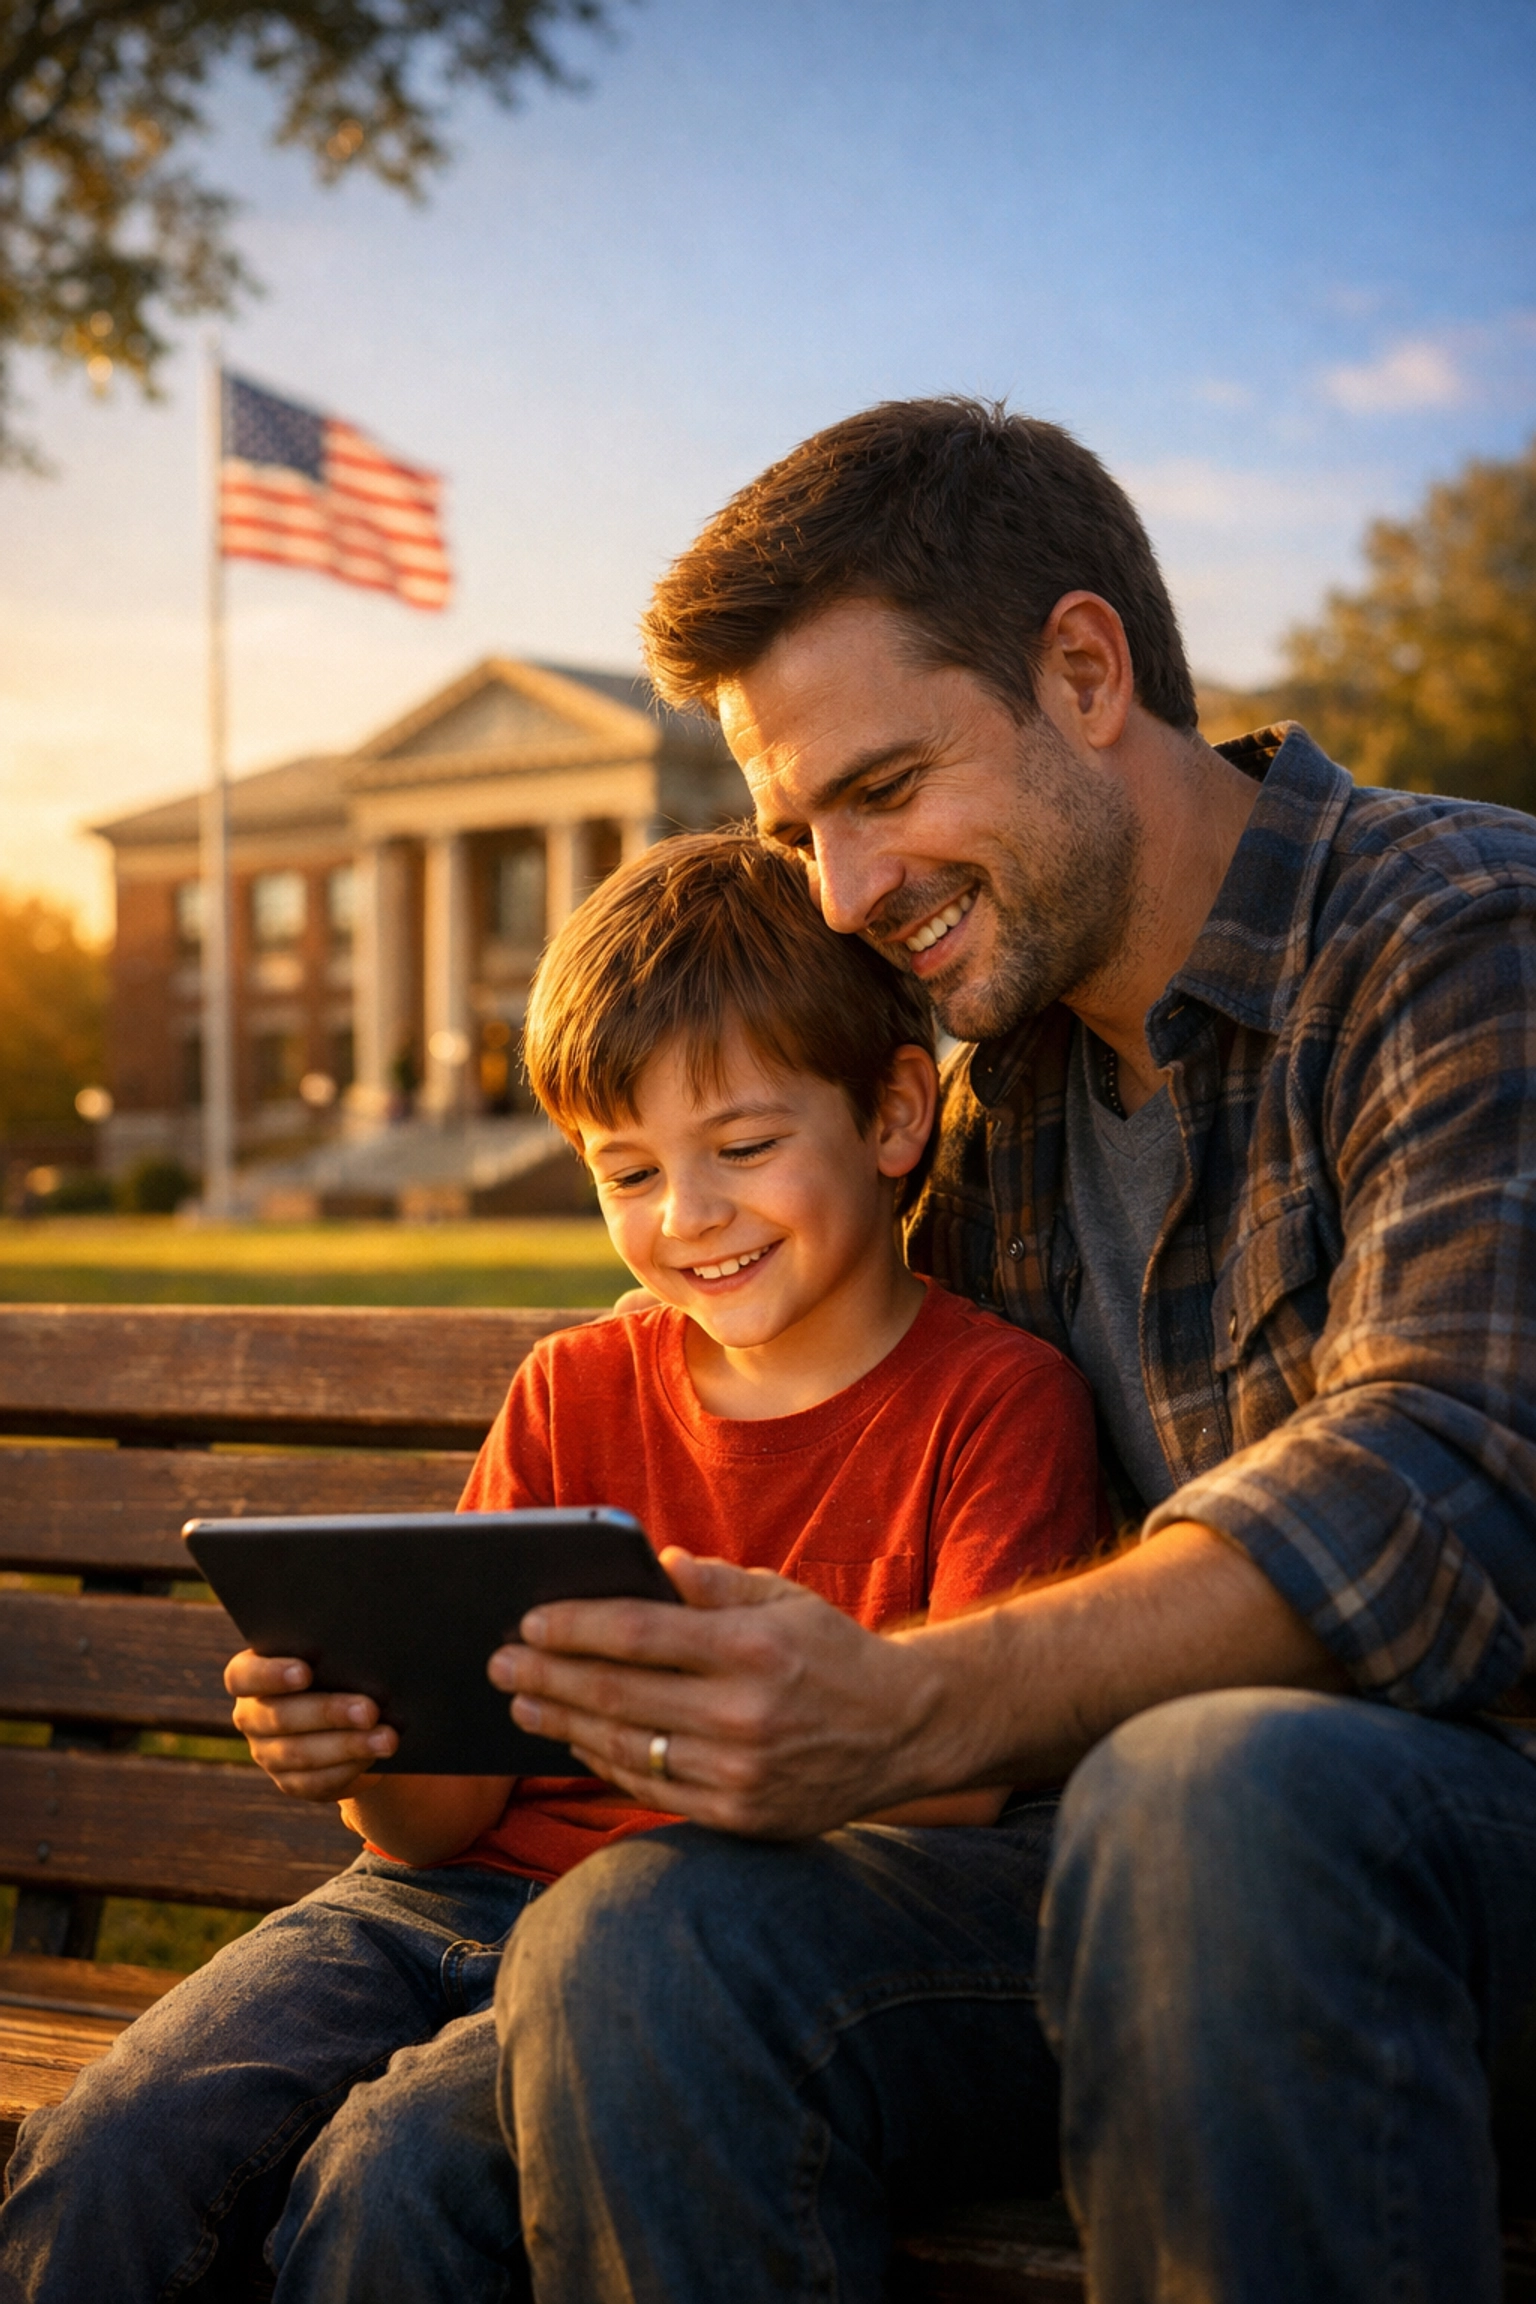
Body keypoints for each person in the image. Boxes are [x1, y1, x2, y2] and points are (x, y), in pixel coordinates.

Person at [485, 398, 1536, 2304]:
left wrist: (917, 1704)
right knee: (647, 1941)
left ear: (1080, 669)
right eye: (799, 828)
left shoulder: (1463, 936)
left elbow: (1445, 1477)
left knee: (1210, 1790)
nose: (843, 893)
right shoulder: (1010, 1099)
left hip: (1467, 1862)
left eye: (883, 789)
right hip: (1116, 1903)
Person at [0, 827, 1102, 2304]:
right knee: (117, 2146)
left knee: (393, 2183)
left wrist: (706, 1694)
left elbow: (952, 1782)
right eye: (628, 1169)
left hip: (703, 1950)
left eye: (746, 1147)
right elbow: (436, 1823)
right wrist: (364, 1739)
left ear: (897, 1113)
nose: (686, 1217)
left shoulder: (997, 1399)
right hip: (433, 1912)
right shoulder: (573, 1390)